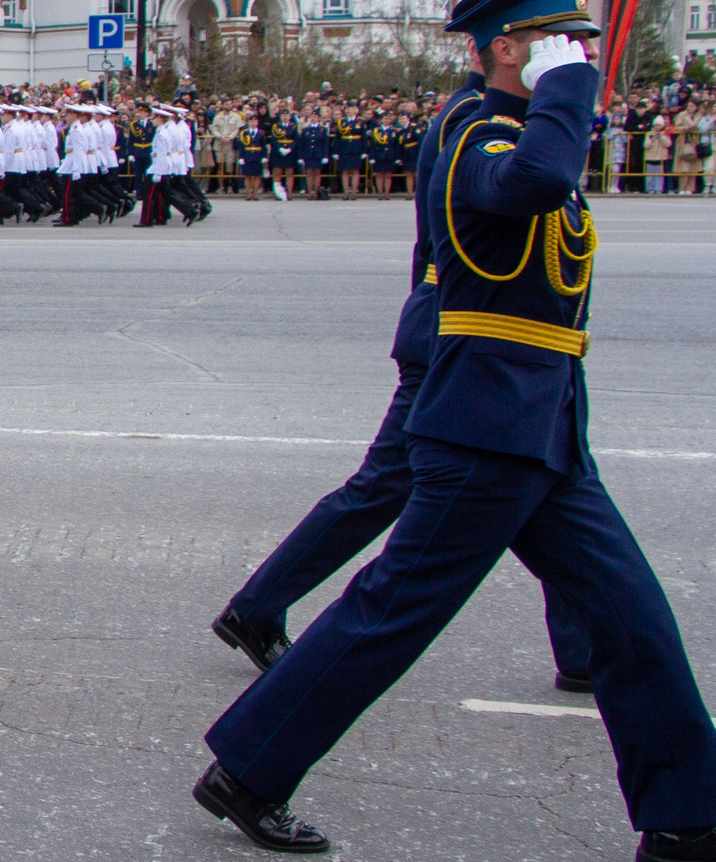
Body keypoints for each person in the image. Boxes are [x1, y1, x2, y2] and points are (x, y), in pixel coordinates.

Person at [197, 0, 716, 862]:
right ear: (508, 48)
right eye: (566, 47)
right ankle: (248, 768)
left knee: (634, 621)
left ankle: (685, 816)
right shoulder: (474, 129)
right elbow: (527, 187)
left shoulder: (522, 125)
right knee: (393, 611)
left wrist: (556, 90)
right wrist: (561, 91)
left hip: (543, 425)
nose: (583, 62)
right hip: (484, 425)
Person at [211, 67, 595, 693]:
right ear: (505, 46)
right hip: (461, 336)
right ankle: (256, 609)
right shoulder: (477, 119)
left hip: (488, 338)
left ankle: (586, 648)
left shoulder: (480, 114)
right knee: (389, 485)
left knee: (552, 486)